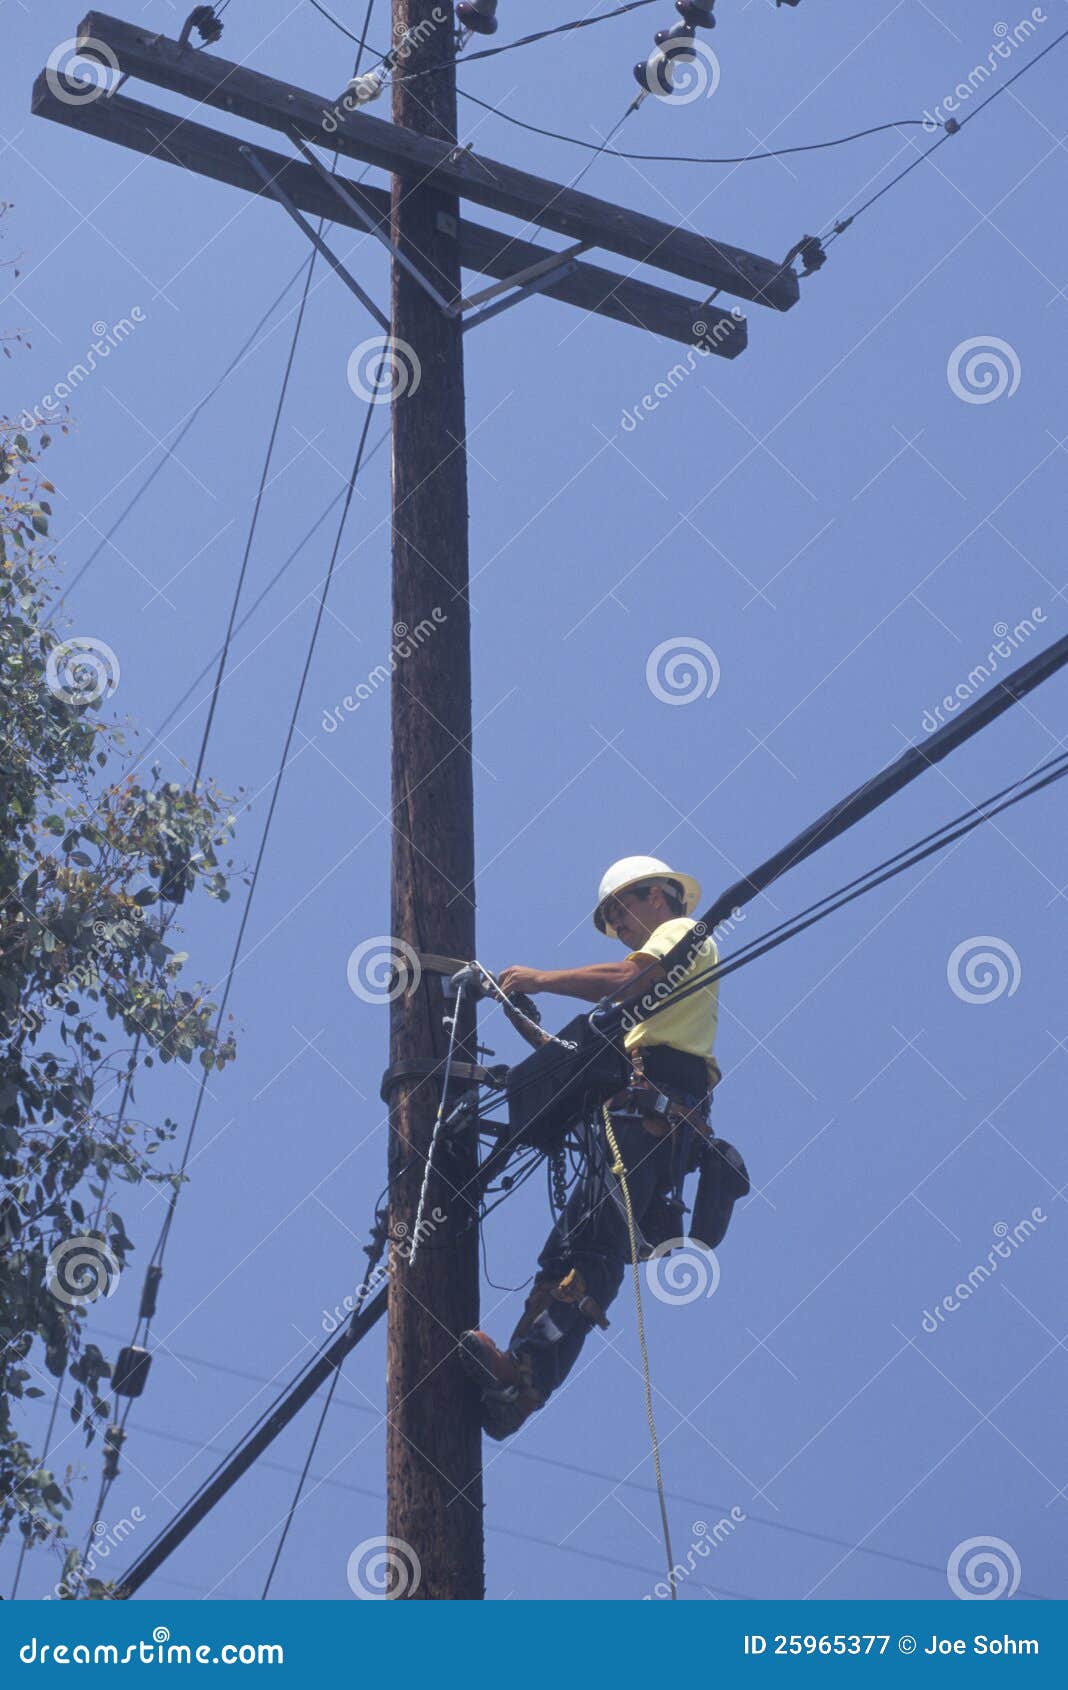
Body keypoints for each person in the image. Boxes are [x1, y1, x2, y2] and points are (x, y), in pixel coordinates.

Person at [459, 855, 748, 1439]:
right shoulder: (649, 1003)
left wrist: (540, 980)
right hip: (639, 1120)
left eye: (621, 910)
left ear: (658, 897)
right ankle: (518, 1377)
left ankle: (525, 1381)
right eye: (611, 918)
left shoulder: (682, 934)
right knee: (567, 1252)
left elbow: (628, 979)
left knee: (592, 1250)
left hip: (655, 1117)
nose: (617, 926)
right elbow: (590, 1036)